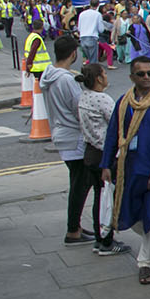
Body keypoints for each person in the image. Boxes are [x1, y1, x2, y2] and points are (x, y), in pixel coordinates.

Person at [100, 57, 150, 285]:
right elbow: (113, 134)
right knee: (131, 214)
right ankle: (148, 239)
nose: (146, 77)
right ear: (132, 76)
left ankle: (145, 262)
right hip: (129, 168)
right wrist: (105, 165)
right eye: (141, 74)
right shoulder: (123, 102)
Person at [41, 36, 95, 247]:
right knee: (80, 185)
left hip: (61, 133)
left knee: (79, 182)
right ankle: (73, 230)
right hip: (74, 136)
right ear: (73, 53)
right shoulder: (66, 80)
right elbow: (79, 108)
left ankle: (76, 227)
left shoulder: (49, 75)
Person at [77, 64, 128, 254]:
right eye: (104, 73)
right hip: (104, 154)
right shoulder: (102, 99)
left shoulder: (84, 97)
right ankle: (107, 240)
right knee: (108, 199)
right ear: (99, 78)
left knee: (100, 197)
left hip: (90, 152)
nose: (106, 76)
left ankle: (100, 238)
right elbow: (117, 121)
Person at [77, 0, 103, 65]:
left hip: (82, 37)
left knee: (89, 58)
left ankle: (89, 72)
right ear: (98, 5)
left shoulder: (82, 14)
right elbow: (101, 29)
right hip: (92, 36)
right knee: (93, 60)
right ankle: (93, 73)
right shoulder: (98, 14)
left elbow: (79, 28)